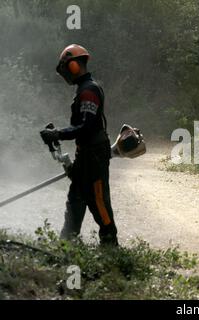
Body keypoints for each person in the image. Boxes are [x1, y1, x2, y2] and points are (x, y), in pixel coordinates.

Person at [40, 44, 118, 246]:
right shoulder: (84, 89)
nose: (66, 73)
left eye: (66, 68)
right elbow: (83, 125)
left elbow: (86, 126)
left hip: (94, 156)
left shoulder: (89, 90)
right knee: (76, 199)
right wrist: (59, 133)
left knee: (98, 201)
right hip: (85, 154)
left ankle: (110, 245)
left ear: (73, 66)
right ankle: (67, 243)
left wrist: (58, 133)